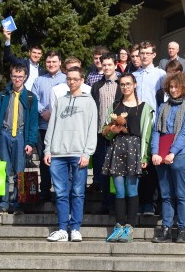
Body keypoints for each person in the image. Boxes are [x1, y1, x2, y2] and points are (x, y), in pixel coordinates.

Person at [44, 66, 97, 242]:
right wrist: (47, 149)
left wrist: (87, 153)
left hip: (78, 153)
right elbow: (51, 126)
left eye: (75, 79)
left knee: (78, 192)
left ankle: (75, 228)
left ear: (82, 80)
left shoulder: (89, 102)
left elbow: (91, 129)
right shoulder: (60, 100)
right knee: (60, 192)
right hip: (58, 153)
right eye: (69, 79)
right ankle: (61, 228)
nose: (71, 82)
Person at [103, 73, 153, 243]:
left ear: (135, 85)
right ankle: (119, 224)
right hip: (117, 149)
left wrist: (144, 155)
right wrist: (111, 131)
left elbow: (147, 133)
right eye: (122, 84)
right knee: (119, 190)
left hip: (134, 149)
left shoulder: (144, 107)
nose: (125, 87)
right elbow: (105, 130)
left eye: (128, 84)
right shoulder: (115, 106)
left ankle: (130, 226)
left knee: (131, 189)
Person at [150, 72, 185, 243]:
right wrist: (155, 152)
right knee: (166, 194)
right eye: (171, 86)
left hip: (180, 154)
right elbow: (156, 130)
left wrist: (173, 152)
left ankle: (182, 229)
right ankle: (166, 228)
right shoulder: (163, 106)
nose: (173, 89)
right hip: (162, 155)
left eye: (177, 86)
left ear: (184, 87)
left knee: (181, 193)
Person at [0, 64, 39, 215]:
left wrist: (30, 142)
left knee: (19, 171)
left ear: (25, 77)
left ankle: (18, 203)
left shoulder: (30, 97)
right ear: (10, 77)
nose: (17, 79)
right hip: (4, 134)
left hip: (21, 136)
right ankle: (3, 202)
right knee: (4, 170)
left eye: (20, 76)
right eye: (14, 76)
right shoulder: (3, 95)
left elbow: (33, 122)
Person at [132, 41, 167, 216]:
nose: (144, 56)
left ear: (154, 55)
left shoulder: (160, 75)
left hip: (154, 125)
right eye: (141, 53)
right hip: (136, 125)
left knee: (152, 165)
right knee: (138, 165)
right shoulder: (133, 76)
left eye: (147, 53)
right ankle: (138, 201)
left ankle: (151, 203)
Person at [31, 50, 66, 202]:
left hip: (61, 128)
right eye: (48, 62)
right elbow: (32, 98)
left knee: (59, 162)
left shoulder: (66, 79)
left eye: (54, 62)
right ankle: (44, 190)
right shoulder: (39, 80)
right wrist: (43, 111)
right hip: (43, 126)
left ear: (60, 63)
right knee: (44, 162)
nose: (51, 64)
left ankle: (60, 192)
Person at [90, 53, 122, 213]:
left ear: (115, 65)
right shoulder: (97, 86)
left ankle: (118, 202)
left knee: (117, 170)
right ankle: (106, 201)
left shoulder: (122, 84)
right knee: (103, 169)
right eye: (104, 65)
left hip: (118, 134)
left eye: (110, 65)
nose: (107, 67)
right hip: (100, 134)